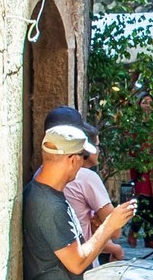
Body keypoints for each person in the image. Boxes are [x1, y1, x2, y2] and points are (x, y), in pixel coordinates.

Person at [23, 125, 134, 280]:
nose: (83, 164)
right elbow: (76, 262)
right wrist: (110, 224)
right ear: (73, 160)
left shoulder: (44, 193)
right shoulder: (49, 205)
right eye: (82, 158)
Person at [46, 104, 116, 250]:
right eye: (97, 146)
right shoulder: (86, 178)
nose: (98, 151)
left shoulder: (42, 174)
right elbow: (115, 230)